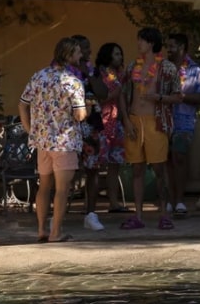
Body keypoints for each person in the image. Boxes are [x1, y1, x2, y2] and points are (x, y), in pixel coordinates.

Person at [19, 36, 87, 242]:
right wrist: (87, 109)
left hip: (42, 143)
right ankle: (56, 232)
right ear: (68, 55)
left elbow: (22, 103)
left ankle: (41, 229)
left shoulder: (39, 76)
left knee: (44, 186)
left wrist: (30, 129)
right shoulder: (72, 82)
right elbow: (80, 115)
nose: (81, 55)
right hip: (64, 142)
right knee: (62, 189)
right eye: (77, 52)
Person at [120, 27, 181, 230]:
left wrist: (159, 98)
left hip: (156, 121)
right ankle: (137, 215)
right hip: (135, 120)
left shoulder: (167, 68)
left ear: (152, 43)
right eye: (139, 40)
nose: (139, 44)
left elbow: (178, 96)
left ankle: (164, 213)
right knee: (137, 169)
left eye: (143, 41)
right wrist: (126, 121)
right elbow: (122, 95)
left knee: (159, 169)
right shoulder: (131, 67)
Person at [166, 33, 200, 216]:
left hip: (184, 120)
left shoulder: (195, 70)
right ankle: (169, 199)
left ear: (182, 47)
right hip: (164, 119)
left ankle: (180, 201)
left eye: (172, 46)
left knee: (179, 158)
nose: (168, 49)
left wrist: (182, 97)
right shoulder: (163, 68)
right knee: (166, 160)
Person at [71, 35, 108, 231]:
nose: (88, 52)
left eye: (88, 48)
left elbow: (103, 93)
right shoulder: (61, 71)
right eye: (84, 48)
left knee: (93, 169)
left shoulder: (93, 70)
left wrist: (90, 74)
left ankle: (91, 214)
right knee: (65, 171)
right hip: (68, 127)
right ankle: (57, 214)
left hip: (91, 125)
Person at [95, 42, 129, 213]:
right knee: (96, 165)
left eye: (120, 54)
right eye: (116, 54)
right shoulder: (98, 74)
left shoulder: (119, 74)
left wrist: (126, 120)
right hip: (102, 123)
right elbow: (100, 98)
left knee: (115, 164)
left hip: (116, 124)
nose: (119, 57)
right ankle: (91, 206)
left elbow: (121, 98)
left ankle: (114, 203)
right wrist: (114, 94)